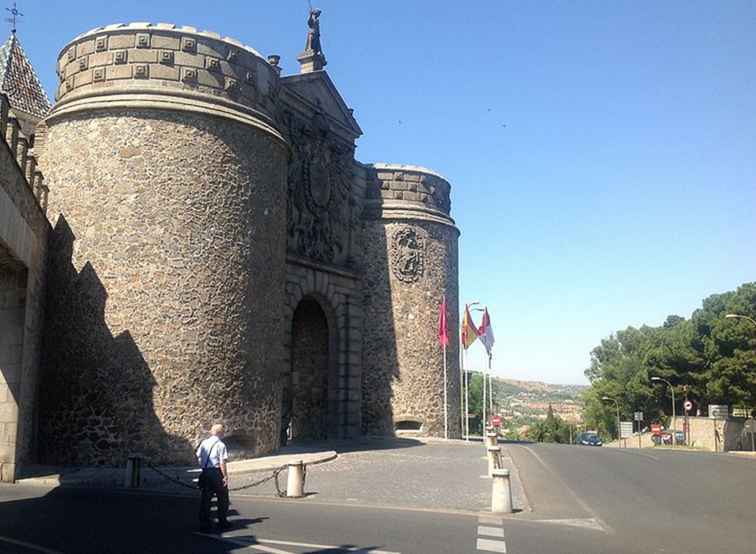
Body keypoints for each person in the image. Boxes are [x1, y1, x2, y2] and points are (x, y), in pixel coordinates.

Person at [196, 423, 230, 532]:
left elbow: (198, 456)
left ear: (212, 432)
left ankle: (204, 524)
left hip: (205, 472)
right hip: (216, 472)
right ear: (221, 433)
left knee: (206, 499)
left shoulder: (204, 443)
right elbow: (222, 462)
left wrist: (203, 467)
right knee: (223, 498)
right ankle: (222, 521)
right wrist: (225, 476)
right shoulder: (221, 445)